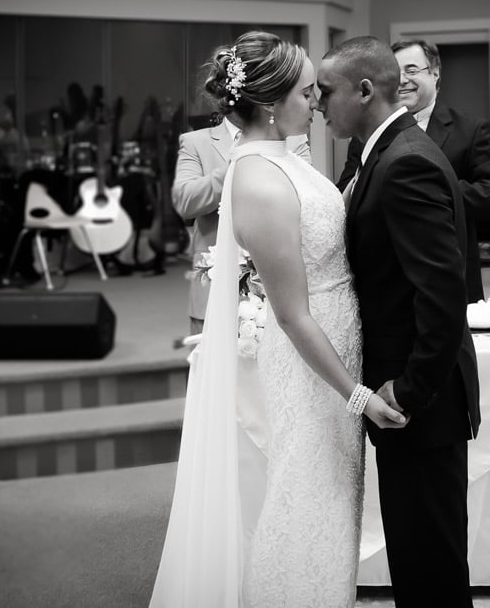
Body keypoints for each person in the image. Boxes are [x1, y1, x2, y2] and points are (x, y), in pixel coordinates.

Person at [150, 31, 406, 608]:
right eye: (308, 92)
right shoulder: (260, 179)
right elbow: (290, 314)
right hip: (313, 363)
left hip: (337, 339)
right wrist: (358, 396)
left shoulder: (285, 157)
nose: (318, 101)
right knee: (309, 497)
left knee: (333, 498)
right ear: (270, 103)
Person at [318, 36, 481, 607]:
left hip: (419, 403)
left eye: (326, 91)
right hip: (406, 396)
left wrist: (407, 392)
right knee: (417, 557)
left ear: (365, 90)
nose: (318, 103)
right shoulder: (383, 151)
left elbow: (442, 296)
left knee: (430, 564)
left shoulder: (405, 162)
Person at [336, 39, 490, 304]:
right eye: (396, 72)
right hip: (384, 281)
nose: (403, 80)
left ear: (435, 73)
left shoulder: (469, 129)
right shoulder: (367, 131)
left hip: (450, 274)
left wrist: (429, 192)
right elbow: (347, 192)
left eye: (412, 70)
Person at [172, 114, 311, 334]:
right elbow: (186, 202)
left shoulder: (294, 140)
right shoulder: (195, 141)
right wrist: (236, 165)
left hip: (279, 280)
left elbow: (305, 197)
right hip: (216, 282)